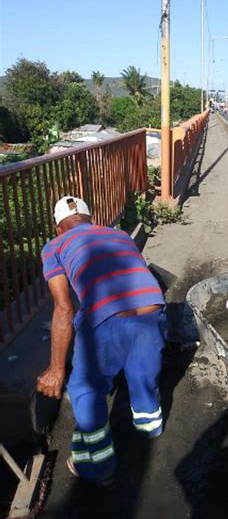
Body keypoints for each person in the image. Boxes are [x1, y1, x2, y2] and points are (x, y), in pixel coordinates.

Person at [37, 196, 167, 487]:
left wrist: (57, 368)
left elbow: (64, 307)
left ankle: (97, 466)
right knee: (141, 370)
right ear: (90, 218)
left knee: (85, 388)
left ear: (58, 227)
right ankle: (150, 426)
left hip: (105, 320)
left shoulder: (54, 246)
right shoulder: (118, 234)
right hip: (153, 309)